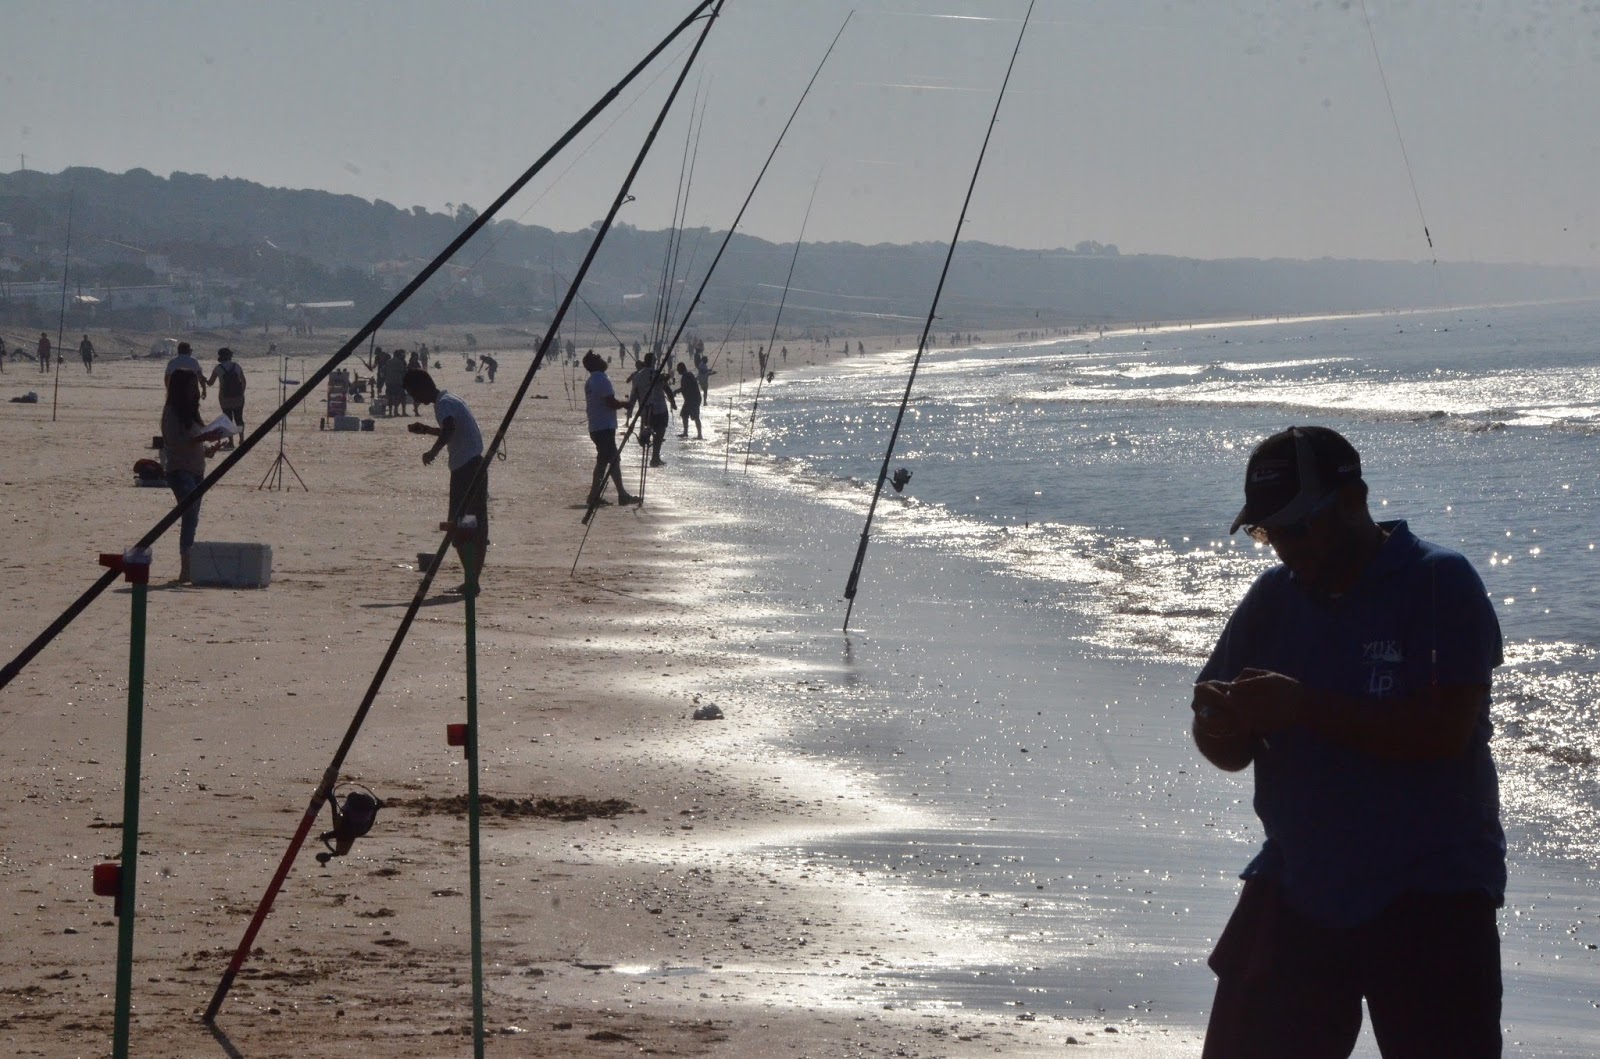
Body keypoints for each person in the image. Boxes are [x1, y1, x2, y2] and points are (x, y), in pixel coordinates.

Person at [1190, 425, 1505, 1059]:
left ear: (1353, 500)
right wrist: (1222, 722)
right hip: (1300, 880)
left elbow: (1443, 732)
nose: (1284, 547)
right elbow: (1222, 744)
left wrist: (1301, 708)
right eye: (1268, 531)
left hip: (1432, 888)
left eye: (1298, 526)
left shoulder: (1439, 580)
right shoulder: (1273, 598)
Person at [403, 369, 486, 592]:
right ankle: (472, 580)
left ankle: (472, 580)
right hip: (470, 467)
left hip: (466, 470)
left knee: (461, 525)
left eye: (414, 394)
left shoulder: (444, 404)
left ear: (423, 387)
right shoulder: (449, 399)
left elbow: (449, 429)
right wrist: (427, 430)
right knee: (469, 522)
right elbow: (450, 430)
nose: (416, 400)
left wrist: (433, 452)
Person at [161, 371, 228, 583]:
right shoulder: (172, 412)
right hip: (180, 469)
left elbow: (195, 443)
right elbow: (175, 442)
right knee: (189, 514)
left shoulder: (191, 412)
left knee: (193, 518)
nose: (197, 392)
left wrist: (210, 448)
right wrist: (203, 438)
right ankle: (185, 568)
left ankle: (188, 567)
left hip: (197, 469)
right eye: (192, 387)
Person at [581, 351, 638, 519]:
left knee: (609, 460)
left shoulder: (591, 380)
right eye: (599, 358)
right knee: (608, 460)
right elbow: (610, 402)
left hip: (597, 426)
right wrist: (625, 405)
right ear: (595, 364)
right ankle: (608, 495)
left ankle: (616, 494)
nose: (603, 360)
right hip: (603, 427)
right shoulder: (601, 380)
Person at [628, 353, 675, 468]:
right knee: (659, 433)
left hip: (646, 410)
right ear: (654, 362)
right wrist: (672, 402)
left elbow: (634, 394)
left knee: (649, 428)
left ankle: (645, 439)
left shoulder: (638, 376)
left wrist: (630, 408)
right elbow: (667, 389)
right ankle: (655, 457)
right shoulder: (657, 374)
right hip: (660, 409)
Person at [208, 347, 247, 447]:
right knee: (239, 418)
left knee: (228, 419)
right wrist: (241, 392)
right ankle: (242, 439)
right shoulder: (236, 366)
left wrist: (202, 379)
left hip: (224, 398)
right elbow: (243, 381)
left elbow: (210, 383)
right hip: (238, 398)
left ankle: (231, 442)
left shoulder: (218, 368)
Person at [675, 361, 702, 439]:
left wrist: (676, 391)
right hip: (689, 399)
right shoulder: (687, 375)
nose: (677, 371)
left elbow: (684, 388)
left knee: (696, 417)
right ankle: (685, 432)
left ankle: (699, 435)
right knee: (684, 414)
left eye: (678, 369)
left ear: (681, 369)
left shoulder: (686, 376)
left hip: (693, 399)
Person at [384, 348, 409, 417]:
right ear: (399, 355)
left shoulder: (388, 361)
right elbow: (403, 371)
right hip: (397, 382)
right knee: (400, 396)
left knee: (390, 397)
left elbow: (383, 370)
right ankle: (396, 411)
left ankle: (390, 413)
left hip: (388, 382)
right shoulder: (399, 362)